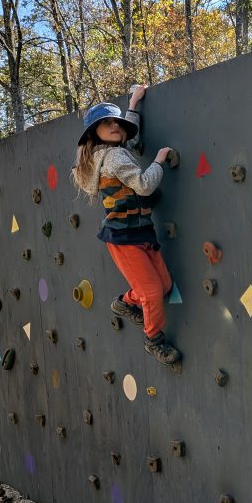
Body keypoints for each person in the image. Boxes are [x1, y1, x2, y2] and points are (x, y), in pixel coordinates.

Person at [71, 84, 181, 365]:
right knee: (154, 291)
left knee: (165, 286)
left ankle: (125, 302)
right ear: (94, 133)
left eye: (115, 123)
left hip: (139, 231)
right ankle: (153, 339)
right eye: (106, 124)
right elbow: (143, 186)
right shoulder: (114, 157)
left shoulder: (112, 151)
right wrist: (158, 160)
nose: (114, 127)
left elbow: (126, 135)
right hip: (124, 236)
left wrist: (133, 103)